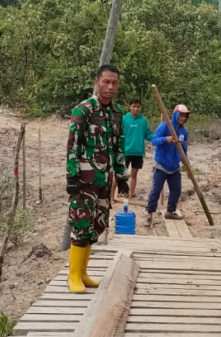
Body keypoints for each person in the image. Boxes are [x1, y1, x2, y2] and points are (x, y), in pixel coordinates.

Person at [65, 64, 129, 293]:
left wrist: (121, 177)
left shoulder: (118, 113)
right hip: (83, 178)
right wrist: (71, 175)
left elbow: (118, 146)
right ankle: (73, 276)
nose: (110, 87)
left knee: (97, 225)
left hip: (104, 179)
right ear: (96, 82)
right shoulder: (83, 110)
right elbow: (73, 144)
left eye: (115, 83)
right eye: (106, 82)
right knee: (81, 223)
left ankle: (83, 272)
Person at [144, 104, 190, 227]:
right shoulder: (165, 126)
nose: (183, 118)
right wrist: (166, 139)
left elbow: (184, 150)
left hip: (174, 166)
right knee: (156, 190)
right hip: (161, 164)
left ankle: (170, 211)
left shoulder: (184, 132)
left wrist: (186, 163)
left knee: (176, 190)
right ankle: (149, 214)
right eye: (181, 115)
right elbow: (154, 140)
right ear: (176, 115)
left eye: (185, 116)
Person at [121, 98, 153, 199]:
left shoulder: (143, 120)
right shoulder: (124, 119)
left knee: (134, 174)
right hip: (125, 151)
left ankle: (130, 195)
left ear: (140, 107)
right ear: (129, 107)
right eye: (134, 106)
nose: (136, 108)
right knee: (119, 174)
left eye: (138, 106)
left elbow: (148, 134)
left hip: (138, 152)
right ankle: (113, 196)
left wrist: (159, 140)